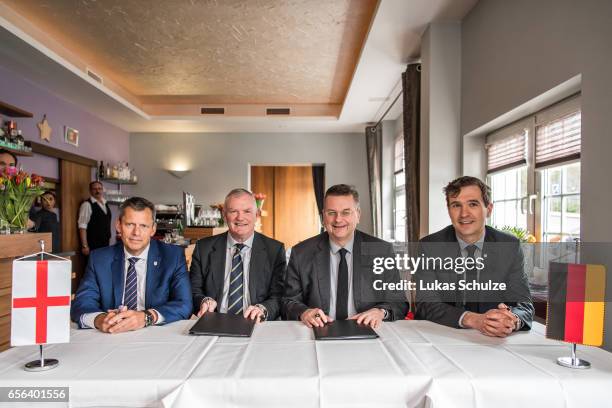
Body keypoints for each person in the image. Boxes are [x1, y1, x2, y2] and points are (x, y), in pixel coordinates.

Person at [415, 176, 534, 337]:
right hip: (442, 335)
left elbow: (524, 304)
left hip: (493, 340)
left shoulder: (509, 246)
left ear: (489, 209)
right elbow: (425, 303)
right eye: (456, 205)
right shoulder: (429, 246)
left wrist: (512, 320)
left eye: (473, 204)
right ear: (449, 209)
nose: (464, 214)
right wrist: (473, 319)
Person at [282, 184, 409, 329]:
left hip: (368, 331)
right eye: (331, 212)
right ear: (323, 216)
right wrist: (304, 312)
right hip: (317, 331)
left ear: (358, 215)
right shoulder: (300, 253)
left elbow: (399, 301)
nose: (338, 219)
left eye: (346, 212)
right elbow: (288, 302)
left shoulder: (382, 251)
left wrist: (380, 312)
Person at [70, 196, 192, 333]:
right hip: (110, 336)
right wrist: (99, 319)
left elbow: (184, 304)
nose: (136, 233)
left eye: (143, 226)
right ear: (118, 226)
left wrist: (146, 317)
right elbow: (81, 303)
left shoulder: (172, 257)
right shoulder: (99, 258)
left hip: (155, 337)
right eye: (130, 224)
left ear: (153, 229)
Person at [190, 189, 286, 321]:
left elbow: (279, 296)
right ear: (224, 215)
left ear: (256, 214)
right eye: (233, 211)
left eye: (247, 211)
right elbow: (194, 290)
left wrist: (263, 309)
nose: (240, 217)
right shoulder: (203, 248)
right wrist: (203, 301)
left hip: (256, 323)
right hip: (214, 321)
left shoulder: (274, 250)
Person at [78, 181, 111, 255]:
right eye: (94, 189)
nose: (97, 191)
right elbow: (82, 226)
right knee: (92, 266)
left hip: (105, 244)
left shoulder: (105, 203)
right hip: (93, 245)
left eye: (99, 188)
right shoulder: (87, 204)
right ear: (90, 191)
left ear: (102, 190)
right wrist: (84, 246)